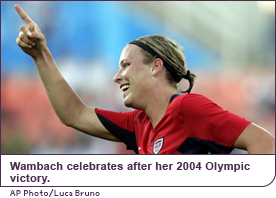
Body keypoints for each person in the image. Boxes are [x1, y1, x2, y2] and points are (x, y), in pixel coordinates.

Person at [15, 4, 275, 154]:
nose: (117, 77)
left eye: (125, 65)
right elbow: (74, 115)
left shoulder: (187, 108)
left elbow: (263, 143)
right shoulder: (138, 124)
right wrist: (41, 55)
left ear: (155, 67)